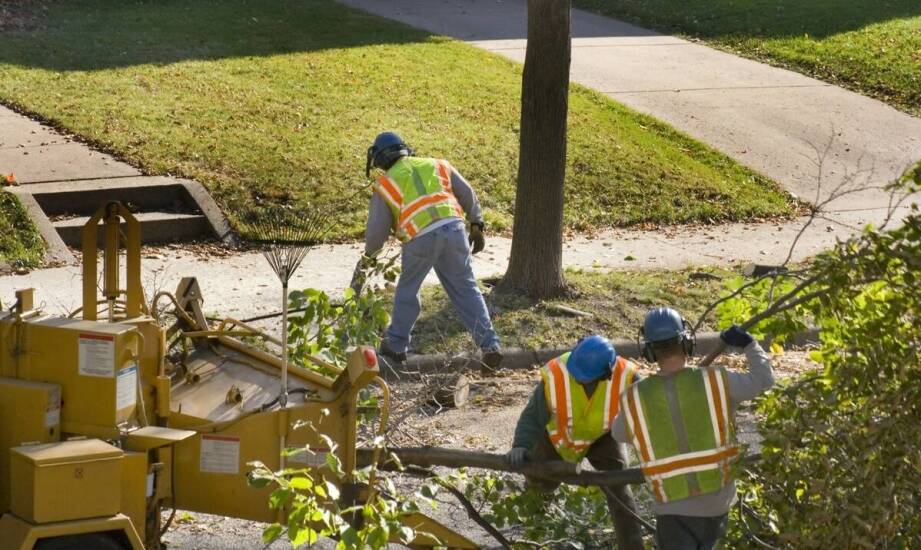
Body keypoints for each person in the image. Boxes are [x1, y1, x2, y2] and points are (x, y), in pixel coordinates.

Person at [611, 307, 775, 550]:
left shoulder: (635, 397)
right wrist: (749, 344)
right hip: (718, 501)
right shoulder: (716, 381)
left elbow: (618, 433)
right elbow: (763, 380)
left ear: (649, 350)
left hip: (672, 507)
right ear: (687, 342)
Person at [356, 131, 501, 369]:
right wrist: (476, 223)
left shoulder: (385, 184)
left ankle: (397, 345)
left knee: (408, 290)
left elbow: (376, 231)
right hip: (454, 230)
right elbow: (467, 193)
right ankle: (490, 345)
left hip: (419, 237)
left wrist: (371, 254)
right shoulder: (437, 164)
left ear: (380, 159)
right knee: (467, 289)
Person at [505, 335, 645, 549]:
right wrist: (520, 445)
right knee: (540, 482)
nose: (578, 379)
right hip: (557, 438)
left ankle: (633, 546)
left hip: (602, 436)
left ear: (606, 373)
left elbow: (648, 413)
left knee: (619, 486)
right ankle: (530, 531)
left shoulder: (627, 376)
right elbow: (533, 416)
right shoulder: (557, 373)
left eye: (585, 378)